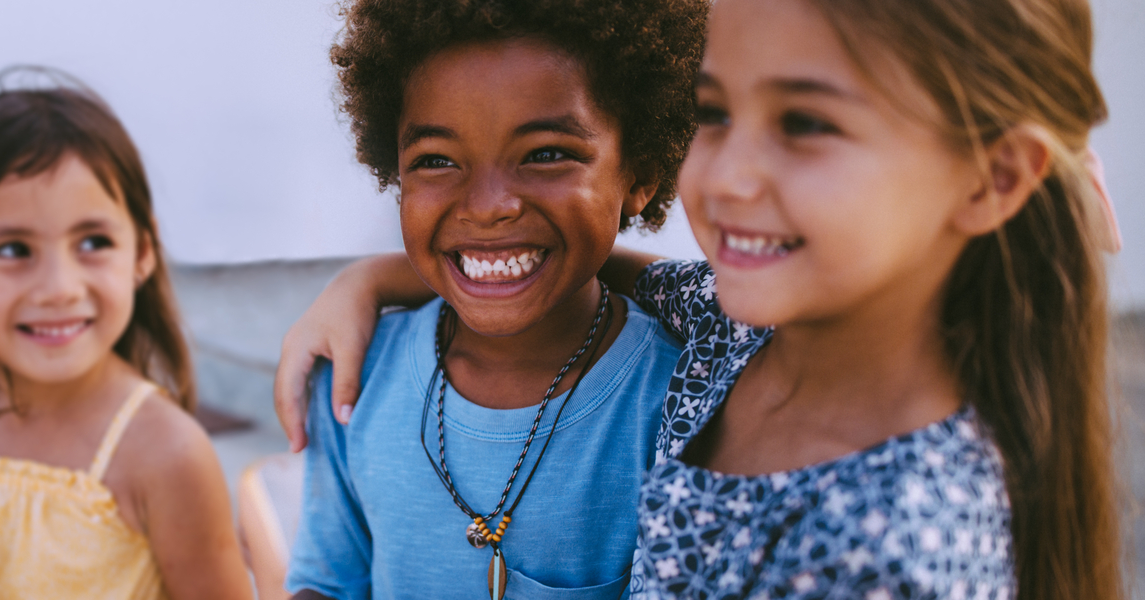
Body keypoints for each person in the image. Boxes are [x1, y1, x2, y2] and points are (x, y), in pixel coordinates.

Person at [275, 0, 1125, 596]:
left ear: (994, 178)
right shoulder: (730, 331)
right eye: (712, 112)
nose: (723, 175)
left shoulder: (896, 540)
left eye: (807, 124)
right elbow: (590, 263)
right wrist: (376, 278)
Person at [284, 2, 705, 599]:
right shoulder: (353, 380)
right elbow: (326, 582)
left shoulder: (680, 398)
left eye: (545, 153)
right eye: (435, 161)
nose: (488, 205)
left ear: (638, 174)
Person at [0, 70, 252, 600]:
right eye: (12, 250)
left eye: (93, 241)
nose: (59, 288)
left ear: (142, 253)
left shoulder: (167, 453)